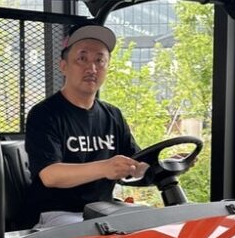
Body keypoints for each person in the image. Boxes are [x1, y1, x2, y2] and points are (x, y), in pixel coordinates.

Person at [25, 22, 146, 226]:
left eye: (99, 60)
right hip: (57, 214)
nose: (92, 68)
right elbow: (50, 175)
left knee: (153, 224)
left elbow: (137, 163)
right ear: (64, 66)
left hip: (103, 210)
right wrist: (105, 167)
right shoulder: (45, 114)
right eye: (82, 59)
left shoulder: (113, 115)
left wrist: (165, 165)